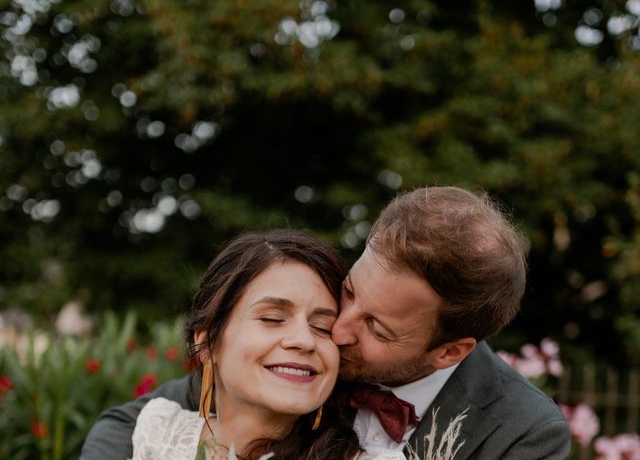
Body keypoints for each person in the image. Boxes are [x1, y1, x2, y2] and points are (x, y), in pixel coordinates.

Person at [81, 186, 571, 460]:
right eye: (350, 293)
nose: (337, 332)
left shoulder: (521, 431)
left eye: (378, 329)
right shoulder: (304, 357)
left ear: (450, 351)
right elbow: (141, 420)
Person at [129, 230, 377, 460]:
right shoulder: (161, 432)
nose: (305, 340)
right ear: (207, 344)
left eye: (323, 327)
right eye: (273, 319)